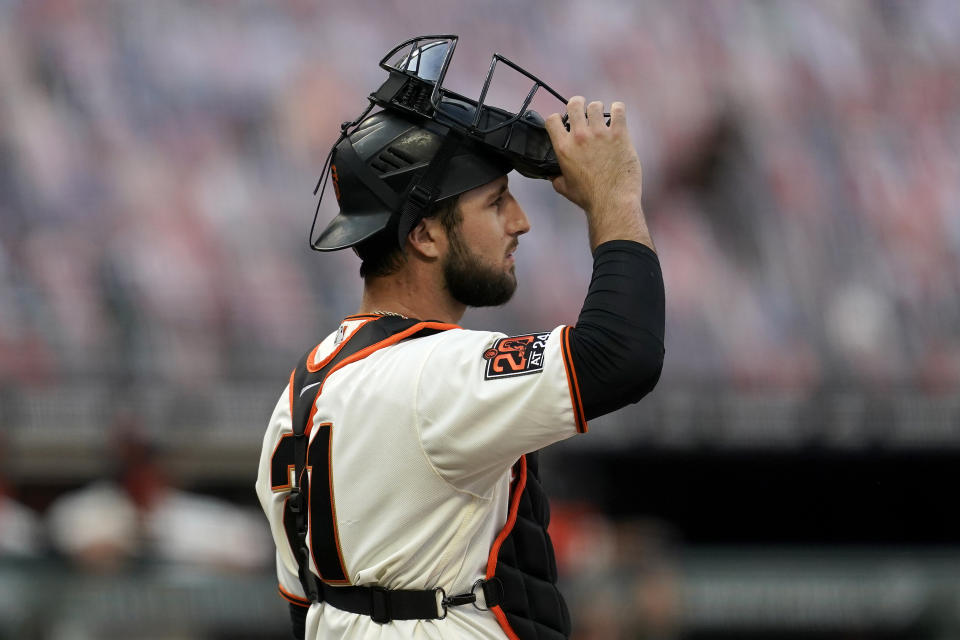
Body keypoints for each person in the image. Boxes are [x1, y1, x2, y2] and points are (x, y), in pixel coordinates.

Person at [256, 36, 664, 640]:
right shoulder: (434, 371)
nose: (520, 222)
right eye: (496, 202)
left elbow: (304, 606)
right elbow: (620, 355)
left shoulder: (298, 394)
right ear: (424, 235)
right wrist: (614, 196)